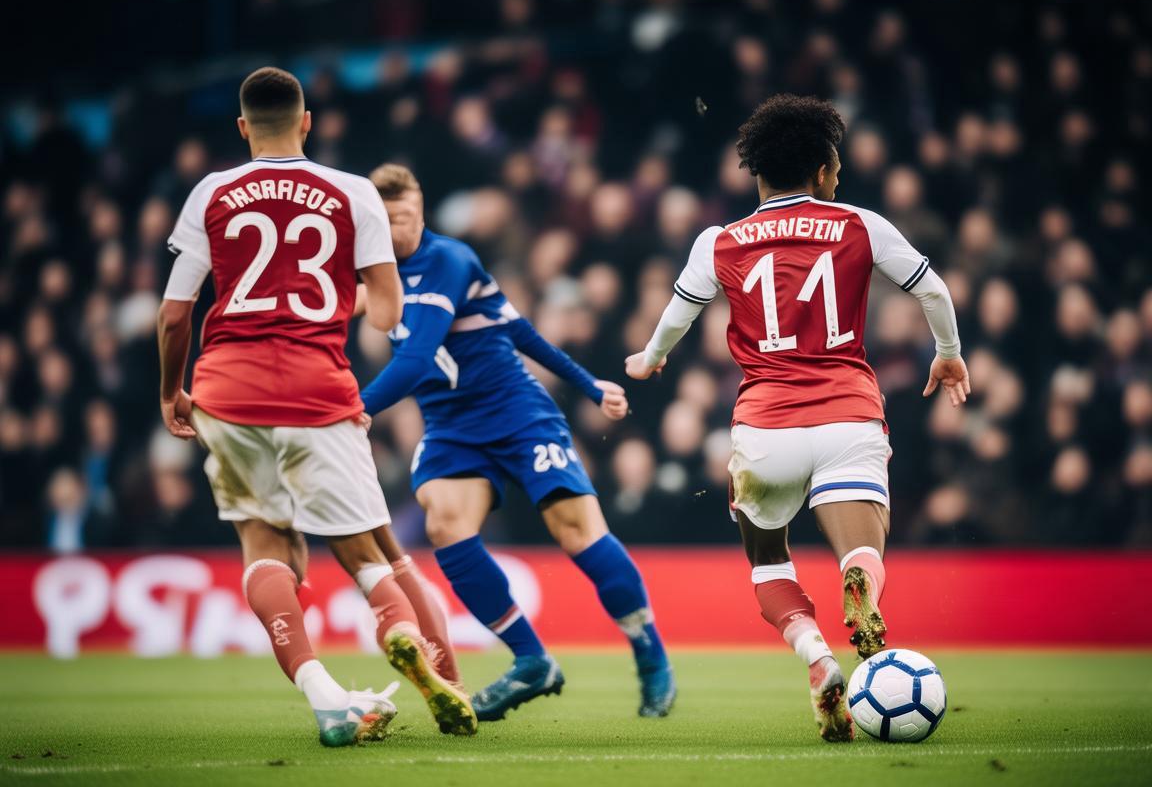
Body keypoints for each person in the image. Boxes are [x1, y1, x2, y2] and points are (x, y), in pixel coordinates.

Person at [625, 94, 969, 742]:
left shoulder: (719, 241)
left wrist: (650, 358)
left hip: (765, 427)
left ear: (757, 173)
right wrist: (947, 353)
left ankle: (816, 656)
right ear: (820, 170)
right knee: (863, 546)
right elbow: (930, 288)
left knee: (767, 563)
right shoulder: (860, 224)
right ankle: (859, 583)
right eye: (835, 166)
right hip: (848, 415)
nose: (839, 175)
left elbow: (677, 317)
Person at [156, 67, 477, 746]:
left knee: (264, 543)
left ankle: (325, 695)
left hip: (227, 392)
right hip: (318, 392)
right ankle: (405, 637)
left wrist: (170, 391)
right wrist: (333, 300)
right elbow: (386, 312)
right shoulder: (354, 192)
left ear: (242, 128)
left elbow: (174, 315)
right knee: (368, 553)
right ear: (307, 123)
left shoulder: (211, 192)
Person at [357, 163, 676, 721]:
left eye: (405, 216)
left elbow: (416, 359)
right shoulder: (372, 271)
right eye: (385, 220)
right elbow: (517, 325)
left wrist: (354, 408)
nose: (397, 229)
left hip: (516, 412)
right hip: (450, 424)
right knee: (444, 523)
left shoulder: (449, 260)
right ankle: (531, 659)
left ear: (421, 210)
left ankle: (650, 653)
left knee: (575, 529)